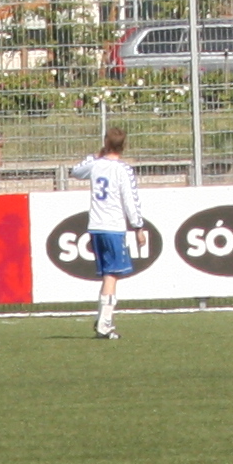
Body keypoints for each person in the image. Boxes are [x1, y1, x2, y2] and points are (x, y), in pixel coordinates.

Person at [69, 131, 139, 341]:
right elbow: (130, 199)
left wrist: (95, 156)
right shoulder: (123, 169)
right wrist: (138, 226)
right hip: (113, 227)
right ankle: (104, 324)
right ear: (124, 146)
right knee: (112, 275)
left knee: (109, 274)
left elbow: (75, 171)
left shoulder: (95, 164)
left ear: (105, 144)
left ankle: (102, 319)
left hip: (96, 227)